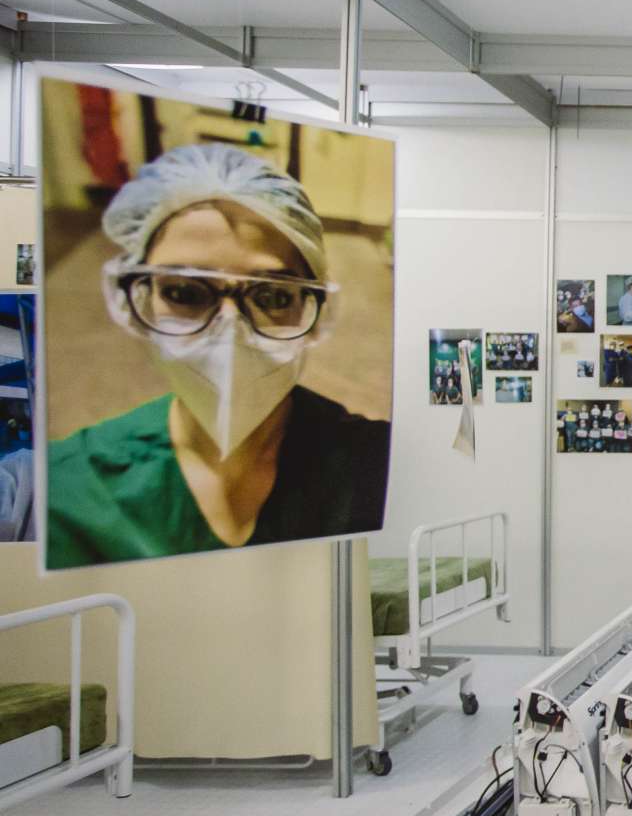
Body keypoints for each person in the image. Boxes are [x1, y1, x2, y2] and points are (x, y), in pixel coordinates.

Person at [45, 143, 390, 567]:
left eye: (273, 296)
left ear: (317, 311)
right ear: (135, 301)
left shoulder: (376, 467)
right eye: (184, 292)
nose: (230, 332)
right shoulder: (68, 491)